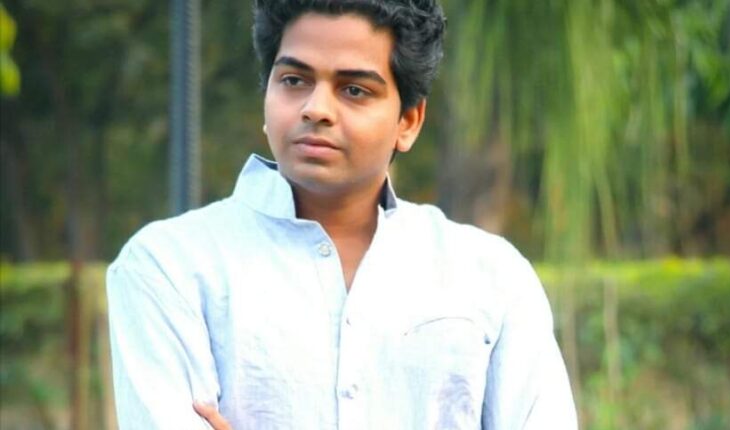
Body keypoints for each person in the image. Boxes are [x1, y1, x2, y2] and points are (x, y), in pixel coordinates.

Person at [106, 0, 578, 429]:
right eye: (294, 81)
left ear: (408, 121)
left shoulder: (491, 277)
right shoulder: (168, 268)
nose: (316, 109)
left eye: (354, 90)